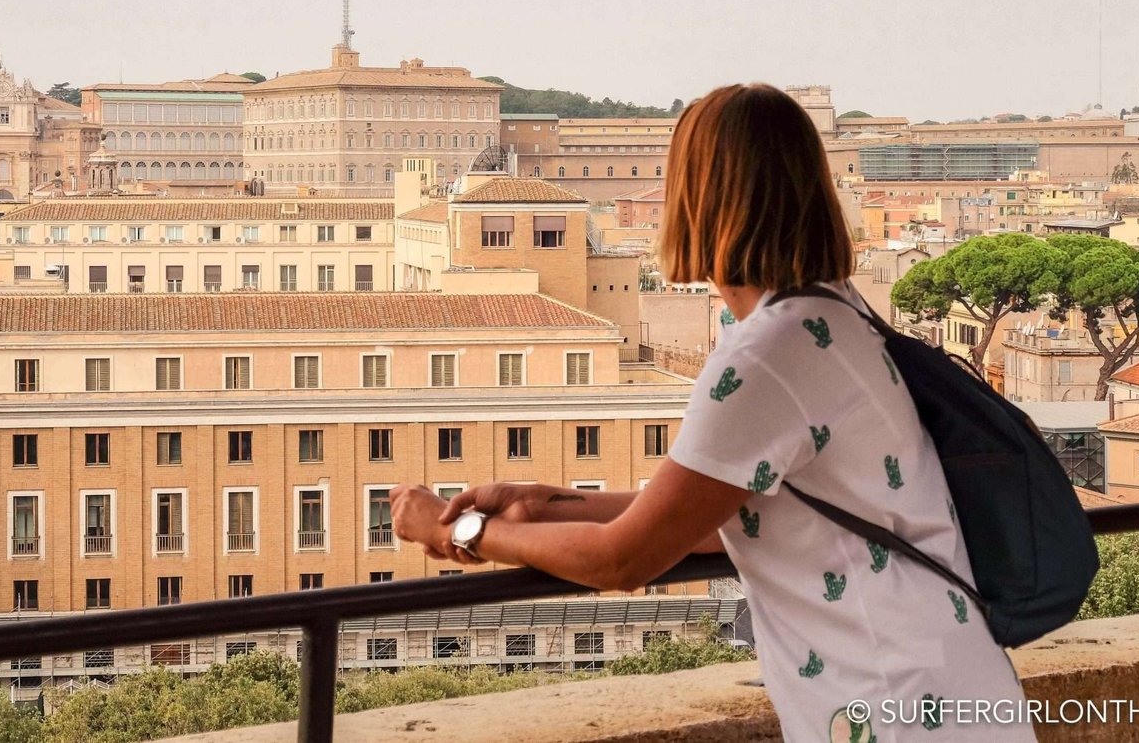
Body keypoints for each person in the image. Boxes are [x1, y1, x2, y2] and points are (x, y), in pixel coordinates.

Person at [391, 84, 1033, 741]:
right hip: (953, 691)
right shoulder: (837, 315)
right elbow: (710, 516)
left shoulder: (766, 357)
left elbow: (626, 559)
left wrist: (456, 531)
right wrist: (549, 501)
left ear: (703, 198)